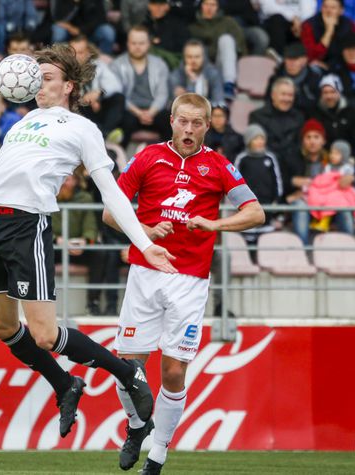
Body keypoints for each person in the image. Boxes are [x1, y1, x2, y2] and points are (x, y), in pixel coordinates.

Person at [0, 44, 177, 440]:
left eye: (45, 79)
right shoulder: (20, 124)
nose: (35, 86)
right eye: (34, 78)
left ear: (68, 87)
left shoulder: (82, 129)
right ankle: (65, 385)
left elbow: (111, 192)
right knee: (4, 328)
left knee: (44, 334)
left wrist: (144, 242)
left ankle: (127, 373)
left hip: (27, 227)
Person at [102, 93, 264, 474]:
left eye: (197, 123)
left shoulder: (219, 165)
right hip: (144, 272)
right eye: (183, 121)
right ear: (171, 120)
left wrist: (215, 224)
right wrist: (144, 229)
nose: (189, 130)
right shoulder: (146, 157)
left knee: (173, 371)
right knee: (127, 366)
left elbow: (255, 212)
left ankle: (157, 455)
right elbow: (112, 212)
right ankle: (139, 425)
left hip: (189, 281)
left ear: (208, 125)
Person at [311, 74, 355, 195]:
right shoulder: (315, 114)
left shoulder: (351, 113)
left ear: (339, 92)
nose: (329, 96)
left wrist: (353, 159)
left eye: (332, 92)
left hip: (351, 160)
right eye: (325, 92)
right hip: (326, 160)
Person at [110, 26, 171, 148]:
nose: (137, 47)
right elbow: (118, 94)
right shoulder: (117, 65)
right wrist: (139, 113)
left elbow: (162, 94)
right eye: (134, 43)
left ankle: (171, 159)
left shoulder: (159, 64)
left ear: (148, 44)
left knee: (170, 120)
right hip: (130, 111)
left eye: (142, 43)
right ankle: (119, 161)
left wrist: (151, 112)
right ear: (128, 44)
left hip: (154, 110)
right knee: (122, 119)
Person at [52, 171, 101, 315]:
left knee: (101, 253)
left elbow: (91, 226)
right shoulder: (47, 197)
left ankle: (93, 303)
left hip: (77, 247)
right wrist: (56, 240)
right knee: (40, 252)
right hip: (55, 246)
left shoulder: (85, 198)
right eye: (62, 179)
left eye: (68, 179)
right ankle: (45, 298)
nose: (65, 183)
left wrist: (84, 241)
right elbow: (41, 226)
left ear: (76, 181)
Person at [233, 124, 284, 246]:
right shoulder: (242, 158)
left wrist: (276, 200)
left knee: (265, 241)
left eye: (262, 138)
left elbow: (277, 181)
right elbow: (234, 182)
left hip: (267, 206)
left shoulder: (270, 158)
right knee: (248, 240)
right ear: (249, 141)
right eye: (256, 138)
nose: (260, 142)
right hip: (248, 206)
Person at [68, 35, 125, 142]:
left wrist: (99, 93)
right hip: (80, 108)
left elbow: (116, 85)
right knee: (76, 104)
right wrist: (85, 99)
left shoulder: (99, 66)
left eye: (80, 53)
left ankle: (105, 132)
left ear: (88, 53)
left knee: (119, 98)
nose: (76, 57)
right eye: (73, 53)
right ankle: (103, 134)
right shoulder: (66, 70)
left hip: (100, 106)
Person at [189, 0, 246, 99]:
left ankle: (229, 85)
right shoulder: (193, 27)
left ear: (218, 7)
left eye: (213, 5)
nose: (209, 8)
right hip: (203, 68)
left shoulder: (228, 22)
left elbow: (240, 44)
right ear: (201, 6)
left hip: (224, 65)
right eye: (206, 4)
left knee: (226, 39)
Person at [305, 139, 355, 234]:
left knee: (333, 198)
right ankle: (316, 217)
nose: (332, 156)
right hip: (326, 189)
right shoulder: (327, 167)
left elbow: (344, 183)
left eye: (337, 154)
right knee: (314, 194)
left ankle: (325, 221)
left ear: (344, 155)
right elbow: (323, 179)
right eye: (331, 153)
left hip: (340, 191)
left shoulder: (347, 168)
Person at [249, 77, 304, 167]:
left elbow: (298, 146)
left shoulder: (299, 117)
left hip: (293, 166)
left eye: (290, 95)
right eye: (283, 94)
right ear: (273, 95)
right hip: (267, 166)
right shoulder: (257, 116)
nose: (286, 99)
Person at [265, 42, 324, 116]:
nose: (291, 63)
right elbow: (268, 103)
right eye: (288, 59)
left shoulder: (314, 79)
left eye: (295, 59)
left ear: (304, 60)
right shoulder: (275, 79)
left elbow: (316, 106)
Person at [169, 39, 226, 107]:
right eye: (189, 57)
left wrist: (186, 94)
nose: (193, 60)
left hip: (209, 115)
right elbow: (179, 107)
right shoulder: (175, 76)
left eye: (197, 57)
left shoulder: (213, 73)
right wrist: (192, 80)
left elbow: (218, 103)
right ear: (184, 58)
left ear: (203, 57)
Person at [300, 0, 355, 66]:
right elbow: (311, 55)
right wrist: (329, 31)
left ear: (341, 11)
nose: (328, 11)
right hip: (317, 65)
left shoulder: (350, 25)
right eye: (325, 7)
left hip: (342, 66)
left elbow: (352, 50)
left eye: (333, 8)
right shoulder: (308, 25)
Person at [49, 0, 116, 55]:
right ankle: (57, 57)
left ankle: (104, 60)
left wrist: (81, 30)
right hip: (68, 32)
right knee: (58, 31)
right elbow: (58, 19)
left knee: (107, 31)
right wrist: (75, 4)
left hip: (90, 31)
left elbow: (100, 18)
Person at [143, 0, 190, 70]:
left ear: (167, 6)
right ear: (149, 6)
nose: (158, 8)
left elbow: (184, 47)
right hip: (146, 66)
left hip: (172, 65)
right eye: (154, 4)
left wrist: (159, 44)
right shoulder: (144, 26)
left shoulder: (177, 25)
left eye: (161, 5)